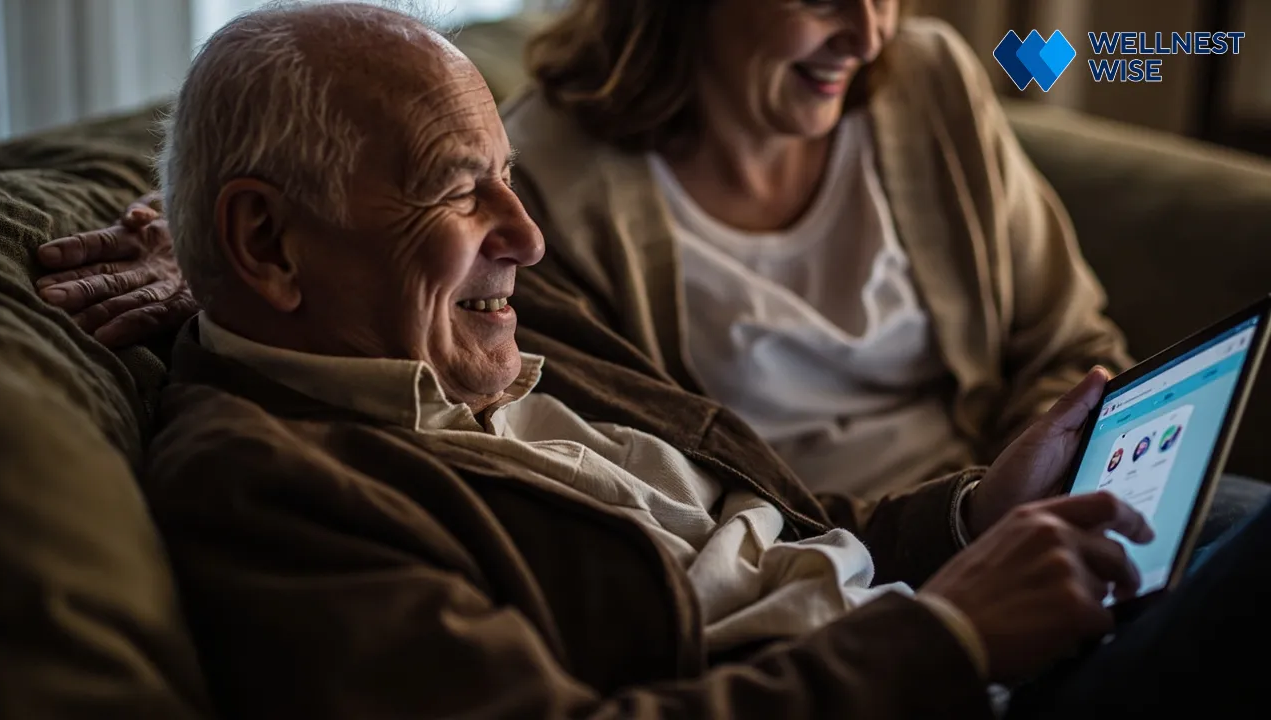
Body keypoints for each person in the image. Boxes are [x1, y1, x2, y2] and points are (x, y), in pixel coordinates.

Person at [133, 4, 1266, 717]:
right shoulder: (268, 490)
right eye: (456, 185)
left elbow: (797, 524)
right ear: (268, 242)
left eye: (506, 178)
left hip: (927, 605)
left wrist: (972, 515)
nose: (527, 240)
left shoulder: (485, 331)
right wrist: (953, 634)